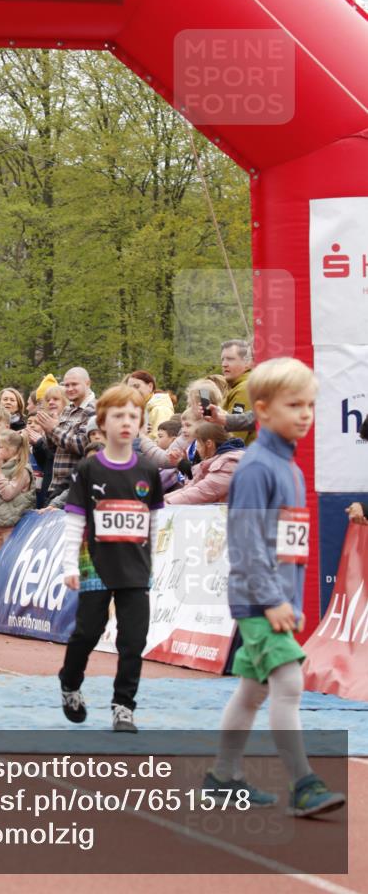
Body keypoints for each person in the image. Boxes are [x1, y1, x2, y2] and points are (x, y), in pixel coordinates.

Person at [205, 357, 345, 816]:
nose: (305, 414)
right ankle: (303, 784)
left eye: (310, 405)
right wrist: (270, 600)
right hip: (254, 600)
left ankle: (222, 777)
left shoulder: (293, 471)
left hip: (271, 600)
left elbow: (291, 544)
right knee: (289, 683)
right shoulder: (254, 469)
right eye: (294, 405)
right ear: (262, 411)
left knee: (252, 691)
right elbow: (246, 546)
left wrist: (289, 598)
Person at [59, 384, 164, 733]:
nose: (126, 422)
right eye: (118, 415)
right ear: (102, 422)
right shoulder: (90, 470)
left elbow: (155, 520)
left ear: (141, 424)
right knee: (88, 632)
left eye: (133, 416)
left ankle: (124, 706)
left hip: (136, 569)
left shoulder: (149, 471)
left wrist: (155, 560)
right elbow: (74, 519)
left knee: (134, 640)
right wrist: (69, 565)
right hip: (96, 566)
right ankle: (70, 682)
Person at [38, 367, 96, 502]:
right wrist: (47, 429)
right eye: (66, 385)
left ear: (87, 383)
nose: (69, 389)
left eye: (74, 384)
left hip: (75, 487)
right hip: (55, 486)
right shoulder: (67, 409)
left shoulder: (94, 409)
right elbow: (53, 448)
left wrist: (53, 429)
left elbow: (82, 445)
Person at [164, 423, 244, 505]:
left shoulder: (229, 463)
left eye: (197, 442)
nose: (196, 448)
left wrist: (168, 503)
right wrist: (164, 499)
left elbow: (202, 491)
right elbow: (190, 488)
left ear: (209, 443)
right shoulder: (215, 460)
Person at [0, 430, 36, 554]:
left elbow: (8, 494)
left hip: (13, 527)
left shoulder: (22, 469)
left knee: (9, 563)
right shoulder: (3, 467)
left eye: (1, 447)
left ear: (13, 449)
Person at [219, 339, 256, 444]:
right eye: (222, 359)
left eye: (230, 359)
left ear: (247, 363)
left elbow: (234, 437)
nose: (224, 364)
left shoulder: (244, 389)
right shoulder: (236, 387)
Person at [126, 371, 175, 437]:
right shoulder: (143, 409)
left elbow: (159, 443)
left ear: (150, 386)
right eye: (129, 388)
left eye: (136, 386)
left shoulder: (160, 409)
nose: (133, 391)